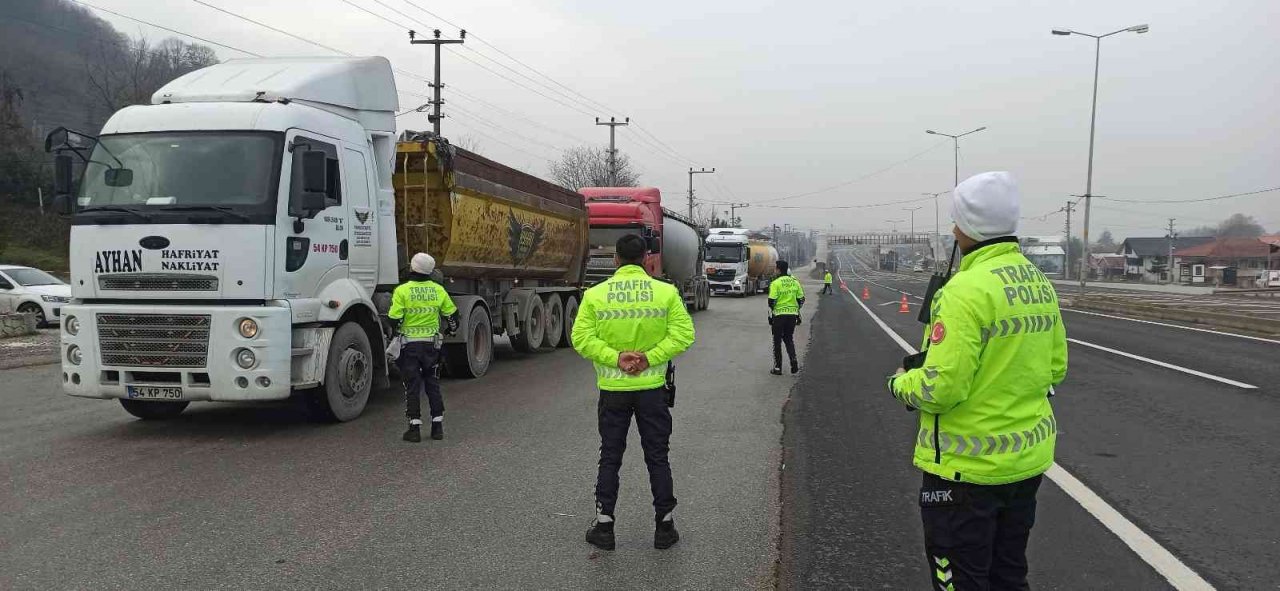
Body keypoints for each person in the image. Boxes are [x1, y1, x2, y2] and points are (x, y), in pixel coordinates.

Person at [887, 172, 1067, 590]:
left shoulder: (965, 290)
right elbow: (1055, 368)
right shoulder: (1037, 282)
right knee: (1008, 575)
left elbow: (941, 389)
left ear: (968, 228)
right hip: (1024, 466)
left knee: (961, 581)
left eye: (956, 222)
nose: (953, 230)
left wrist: (900, 384)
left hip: (964, 477)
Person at [572, 234, 696, 551]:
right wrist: (649, 358)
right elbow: (684, 334)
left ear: (616, 260)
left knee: (610, 457)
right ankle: (664, 528)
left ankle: (604, 527)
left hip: (613, 390)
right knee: (657, 457)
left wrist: (616, 358)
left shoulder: (595, 295)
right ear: (645, 259)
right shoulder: (665, 292)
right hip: (652, 390)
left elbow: (581, 338)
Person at [388, 252, 459, 443]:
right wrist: (450, 331)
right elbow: (453, 318)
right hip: (432, 347)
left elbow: (394, 319)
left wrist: (397, 332)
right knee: (432, 384)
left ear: (412, 268)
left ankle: (414, 429)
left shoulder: (402, 291)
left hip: (409, 347)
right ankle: (437, 428)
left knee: (412, 385)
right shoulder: (438, 290)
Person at [768, 260, 805, 375]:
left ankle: (778, 367)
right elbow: (801, 299)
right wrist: (796, 309)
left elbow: (771, 301)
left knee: (777, 341)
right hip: (792, 316)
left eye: (775, 268)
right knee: (788, 339)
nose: (775, 270)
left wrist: (773, 312)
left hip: (779, 316)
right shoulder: (795, 282)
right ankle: (793, 362)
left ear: (779, 269)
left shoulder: (775, 283)